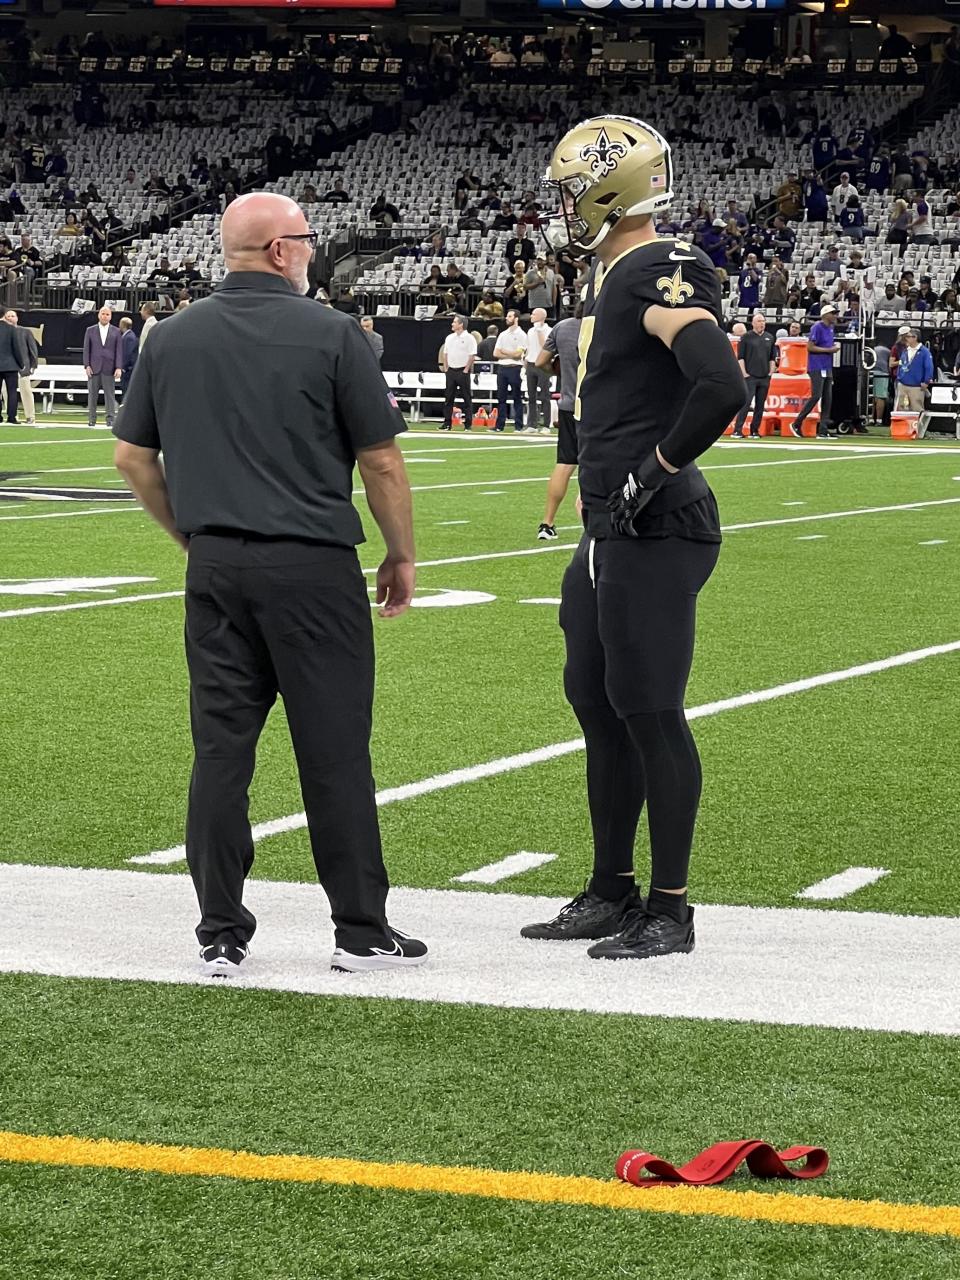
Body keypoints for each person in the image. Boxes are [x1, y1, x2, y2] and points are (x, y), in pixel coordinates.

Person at [112, 191, 427, 976]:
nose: (315, 253)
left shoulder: (171, 335)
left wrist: (190, 534)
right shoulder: (331, 333)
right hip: (311, 565)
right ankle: (358, 929)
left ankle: (220, 930)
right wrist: (401, 553)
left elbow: (130, 458)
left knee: (221, 751)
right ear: (283, 250)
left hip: (216, 565)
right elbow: (382, 460)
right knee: (333, 752)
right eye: (310, 242)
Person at [522, 114, 746, 961]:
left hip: (655, 525)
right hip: (606, 528)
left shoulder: (655, 266)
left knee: (650, 708)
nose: (564, 206)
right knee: (597, 699)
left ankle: (671, 909)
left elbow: (719, 380)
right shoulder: (615, 273)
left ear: (610, 189)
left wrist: (649, 472)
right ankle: (612, 888)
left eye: (574, 190)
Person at [536, 306, 582, 539]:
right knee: (598, 463)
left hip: (568, 404)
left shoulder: (562, 328)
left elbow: (541, 361)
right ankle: (592, 518)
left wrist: (559, 372)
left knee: (565, 463)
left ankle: (547, 522)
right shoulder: (607, 326)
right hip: (599, 407)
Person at [787, 302, 838, 438]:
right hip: (817, 366)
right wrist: (829, 350)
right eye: (833, 313)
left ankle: (823, 428)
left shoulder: (830, 328)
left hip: (826, 366)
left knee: (828, 397)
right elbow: (810, 347)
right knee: (816, 395)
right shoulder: (817, 327)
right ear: (825, 315)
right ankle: (797, 423)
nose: (835, 316)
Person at [732, 312, 778, 439]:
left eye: (763, 321)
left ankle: (754, 430)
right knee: (746, 403)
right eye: (759, 321)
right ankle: (737, 430)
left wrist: (770, 372)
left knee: (760, 405)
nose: (761, 323)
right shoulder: (746, 337)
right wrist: (745, 373)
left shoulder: (769, 337)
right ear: (753, 323)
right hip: (750, 376)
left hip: (764, 376)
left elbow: (772, 357)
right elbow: (740, 357)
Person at [83, 306, 122, 429]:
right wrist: (87, 365)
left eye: (107, 314)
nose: (105, 316)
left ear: (110, 316)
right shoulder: (90, 330)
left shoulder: (116, 331)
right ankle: (91, 419)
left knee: (109, 395)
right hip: (94, 367)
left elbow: (119, 351)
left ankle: (110, 419)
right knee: (92, 395)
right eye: (103, 314)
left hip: (109, 368)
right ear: (98, 315)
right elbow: (86, 349)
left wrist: (118, 367)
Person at [440, 314, 476, 431]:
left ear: (461, 324)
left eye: (455, 322)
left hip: (462, 371)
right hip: (451, 371)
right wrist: (446, 368)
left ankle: (468, 424)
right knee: (448, 398)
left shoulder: (469, 338)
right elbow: (445, 353)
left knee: (466, 398)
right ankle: (447, 423)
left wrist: (466, 369)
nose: (452, 324)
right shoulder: (449, 337)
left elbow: (472, 355)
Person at [493, 308, 526, 431]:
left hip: (515, 368)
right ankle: (499, 425)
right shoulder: (503, 334)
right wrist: (511, 353)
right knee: (501, 398)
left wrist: (505, 351)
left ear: (516, 318)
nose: (507, 318)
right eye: (507, 316)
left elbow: (518, 355)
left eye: (510, 316)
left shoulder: (522, 335)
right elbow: (496, 353)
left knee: (517, 397)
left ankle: (518, 425)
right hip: (502, 368)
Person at [3, 310, 37, 424]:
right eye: (8, 316)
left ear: (17, 318)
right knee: (7, 393)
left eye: (13, 316)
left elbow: (33, 350)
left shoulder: (25, 331)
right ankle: (13, 415)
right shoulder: (3, 332)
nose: (10, 318)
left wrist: (33, 365)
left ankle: (30, 416)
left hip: (23, 368)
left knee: (26, 391)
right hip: (7, 368)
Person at [524, 307, 552, 433]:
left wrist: (539, 331)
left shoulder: (549, 330)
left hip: (543, 365)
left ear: (541, 316)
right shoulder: (530, 331)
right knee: (531, 396)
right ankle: (532, 424)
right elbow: (529, 348)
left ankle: (546, 425)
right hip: (531, 364)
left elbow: (545, 347)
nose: (531, 316)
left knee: (545, 396)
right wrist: (525, 363)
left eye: (534, 314)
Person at [895, 329, 933, 412]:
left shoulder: (924, 352)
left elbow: (929, 367)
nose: (906, 339)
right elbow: (901, 364)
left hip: (916, 386)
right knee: (901, 409)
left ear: (915, 338)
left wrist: (926, 382)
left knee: (917, 409)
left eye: (908, 336)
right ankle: (903, 425)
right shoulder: (905, 351)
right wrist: (899, 377)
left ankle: (917, 425)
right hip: (903, 384)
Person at [0, 308, 27, 424]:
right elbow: (16, 349)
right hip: (11, 366)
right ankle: (11, 417)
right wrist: (21, 364)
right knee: (12, 392)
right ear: (4, 315)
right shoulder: (11, 329)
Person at [118, 315, 138, 395]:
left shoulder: (129, 337)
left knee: (126, 389)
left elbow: (128, 354)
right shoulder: (127, 336)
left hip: (127, 370)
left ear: (123, 325)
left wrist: (123, 367)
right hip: (127, 369)